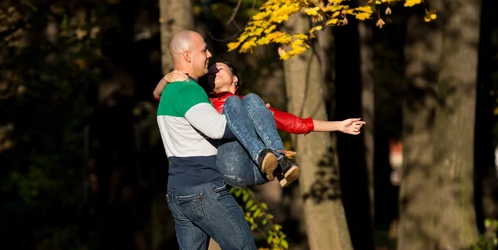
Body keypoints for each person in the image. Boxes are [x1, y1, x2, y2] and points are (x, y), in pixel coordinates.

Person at [154, 29, 275, 250]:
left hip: (178, 190)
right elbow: (218, 128)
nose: (209, 56)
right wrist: (250, 113)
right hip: (203, 190)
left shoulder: (170, 90)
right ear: (187, 55)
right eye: (204, 50)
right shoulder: (189, 91)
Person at [154, 60, 366, 188]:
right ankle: (267, 156)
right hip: (231, 167)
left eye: (219, 69)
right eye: (210, 72)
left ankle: (280, 162)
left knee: (252, 100)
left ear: (235, 78)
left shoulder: (252, 107)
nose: (212, 73)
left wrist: (339, 125)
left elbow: (296, 124)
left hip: (261, 172)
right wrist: (167, 78)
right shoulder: (202, 100)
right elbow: (159, 96)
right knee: (237, 102)